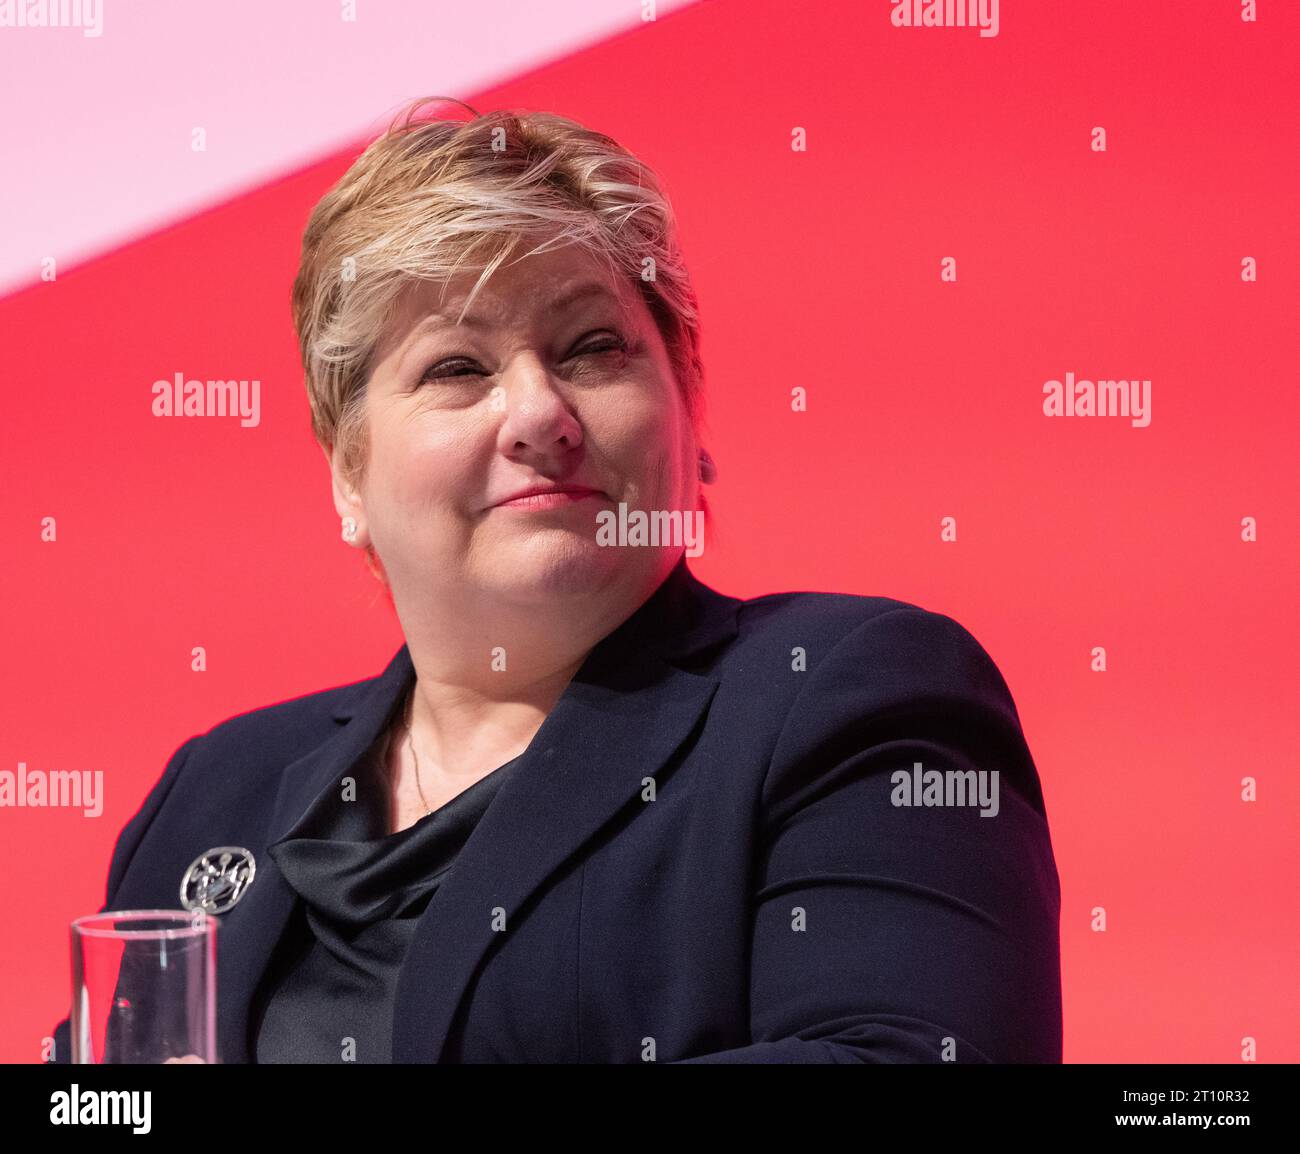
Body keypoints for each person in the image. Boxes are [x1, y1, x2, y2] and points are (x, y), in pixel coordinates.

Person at [49, 98, 1061, 1064]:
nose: (537, 411)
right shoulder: (215, 785)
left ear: (688, 408)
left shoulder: (848, 696)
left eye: (592, 348)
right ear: (348, 472)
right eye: (456, 367)